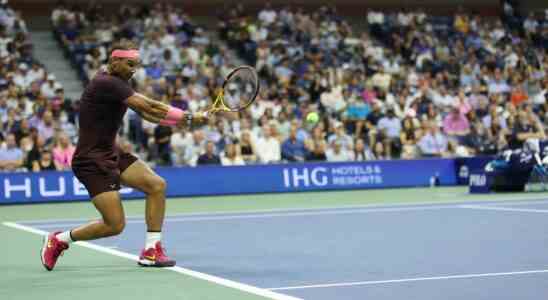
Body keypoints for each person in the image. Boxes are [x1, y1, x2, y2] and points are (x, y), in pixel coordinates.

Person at [41, 40, 208, 271]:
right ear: (114, 61)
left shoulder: (117, 84)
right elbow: (148, 105)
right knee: (114, 225)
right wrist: (188, 117)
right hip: (91, 161)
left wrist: (186, 122)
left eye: (137, 65)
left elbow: (146, 113)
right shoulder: (106, 82)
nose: (134, 69)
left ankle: (152, 250)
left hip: (112, 152)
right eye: (130, 64)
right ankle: (60, 240)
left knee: (156, 185)